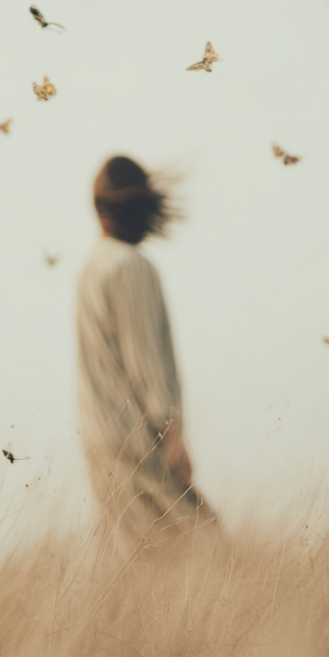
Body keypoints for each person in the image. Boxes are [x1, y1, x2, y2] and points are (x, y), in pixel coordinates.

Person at [76, 155, 215, 551]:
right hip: (137, 442)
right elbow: (145, 363)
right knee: (209, 552)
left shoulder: (90, 268)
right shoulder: (131, 267)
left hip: (98, 438)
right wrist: (173, 435)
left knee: (143, 562)